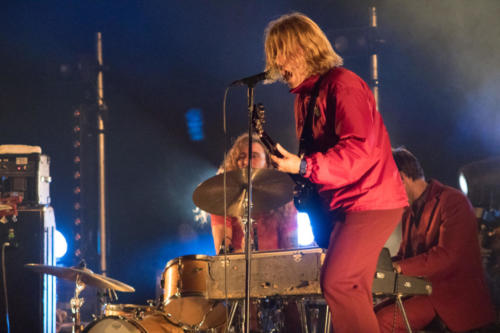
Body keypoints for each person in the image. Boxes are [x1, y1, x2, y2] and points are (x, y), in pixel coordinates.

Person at [263, 13, 408, 332]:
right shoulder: (305, 96)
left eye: (281, 52)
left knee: (338, 283)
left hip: (370, 201)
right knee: (353, 290)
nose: (277, 63)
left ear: (304, 49)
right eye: (273, 54)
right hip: (345, 203)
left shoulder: (342, 84)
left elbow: (359, 150)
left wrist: (303, 166)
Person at [376, 147, 496, 332]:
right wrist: (378, 267)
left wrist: (397, 267)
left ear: (401, 178)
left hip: (451, 294)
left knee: (382, 320)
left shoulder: (454, 201)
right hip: (427, 291)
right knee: (368, 312)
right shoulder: (410, 212)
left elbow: (447, 256)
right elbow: (406, 255)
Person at [210, 133, 297, 254]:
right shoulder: (223, 199)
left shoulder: (283, 201)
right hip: (238, 270)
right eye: (241, 157)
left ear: (267, 162)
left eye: (253, 156)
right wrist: (243, 253)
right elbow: (223, 256)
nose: (246, 161)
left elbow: (292, 250)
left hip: (276, 269)